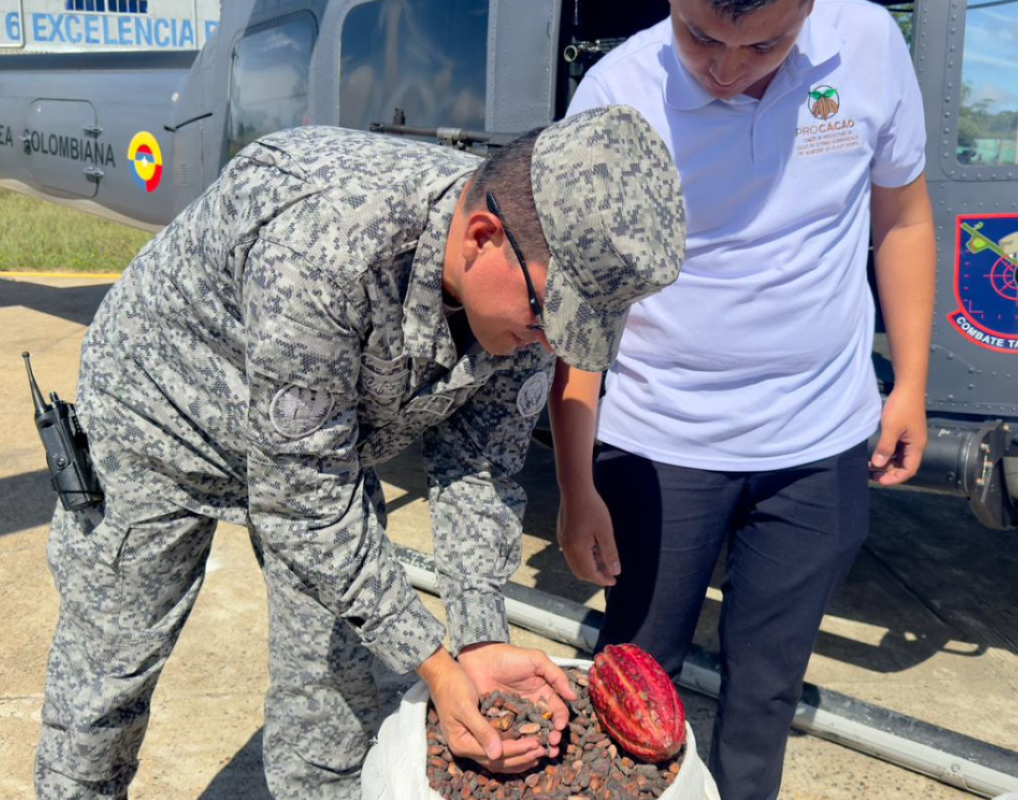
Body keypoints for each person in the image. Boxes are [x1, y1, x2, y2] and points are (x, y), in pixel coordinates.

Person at [35, 105, 686, 799]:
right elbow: (303, 500)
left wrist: (477, 637)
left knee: (337, 700)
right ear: (482, 237)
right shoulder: (327, 243)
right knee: (106, 684)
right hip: (162, 424)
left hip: (319, 445)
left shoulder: (533, 285)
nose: (554, 344)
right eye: (547, 319)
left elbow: (481, 465)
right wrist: (433, 664)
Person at [550, 1, 936, 798]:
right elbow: (583, 302)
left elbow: (902, 217)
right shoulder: (615, 91)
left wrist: (911, 384)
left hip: (820, 440)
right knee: (634, 682)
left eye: (764, 43)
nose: (726, 69)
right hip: (661, 443)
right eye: (700, 37)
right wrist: (576, 482)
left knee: (766, 689)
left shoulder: (867, 44)